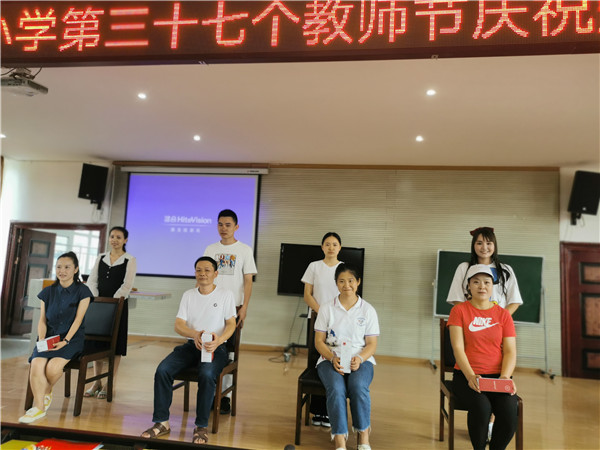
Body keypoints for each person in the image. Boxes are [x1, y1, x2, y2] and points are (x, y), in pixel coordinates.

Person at [140, 256, 236, 445]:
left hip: (215, 347)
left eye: (207, 270)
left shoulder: (226, 295)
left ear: (216, 274)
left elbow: (231, 324)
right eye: (199, 270)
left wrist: (219, 340)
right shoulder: (188, 295)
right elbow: (178, 325)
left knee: (207, 374)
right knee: (163, 370)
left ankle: (201, 426)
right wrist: (195, 334)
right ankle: (161, 422)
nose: (202, 274)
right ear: (195, 273)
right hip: (192, 345)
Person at [448, 264, 518, 450]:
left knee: (509, 411)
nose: (482, 286)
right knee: (482, 407)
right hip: (466, 377)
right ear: (468, 286)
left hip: (498, 378)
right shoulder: (459, 311)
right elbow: (457, 348)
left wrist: (505, 377)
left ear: (492, 286)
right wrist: (471, 376)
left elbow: (510, 351)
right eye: (476, 282)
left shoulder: (503, 315)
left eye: (487, 282)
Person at [19, 251, 93, 424]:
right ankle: (39, 408)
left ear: (76, 269)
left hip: (71, 339)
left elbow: (78, 320)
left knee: (52, 369)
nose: (62, 271)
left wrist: (65, 341)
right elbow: (42, 320)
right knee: (36, 364)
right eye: (59, 267)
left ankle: (45, 392)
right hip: (49, 337)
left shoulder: (83, 291)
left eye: (67, 267)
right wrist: (42, 340)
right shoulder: (47, 292)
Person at [314, 264, 379, 450]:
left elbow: (372, 344)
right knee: (336, 388)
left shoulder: (368, 310)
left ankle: (363, 434)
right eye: (341, 281)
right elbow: (319, 341)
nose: (346, 285)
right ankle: (340, 438)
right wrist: (331, 357)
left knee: (358, 386)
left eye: (351, 281)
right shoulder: (327, 308)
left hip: (360, 359)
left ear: (358, 282)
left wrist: (360, 358)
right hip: (330, 359)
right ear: (336, 283)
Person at [203, 209, 257, 414]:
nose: (223, 228)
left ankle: (224, 397)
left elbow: (248, 281)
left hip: (233, 308)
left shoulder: (244, 250)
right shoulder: (210, 249)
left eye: (227, 225)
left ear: (236, 227)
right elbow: (203, 276)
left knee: (229, 353)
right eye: (220, 224)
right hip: (210, 305)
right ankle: (209, 394)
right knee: (209, 349)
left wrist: (244, 307)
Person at [85, 226, 136, 399]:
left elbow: (127, 285)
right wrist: (97, 299)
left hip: (118, 306)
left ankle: (109, 383)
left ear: (125, 240)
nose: (114, 240)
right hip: (98, 305)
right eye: (112, 236)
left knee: (116, 345)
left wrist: (113, 302)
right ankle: (96, 382)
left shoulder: (130, 260)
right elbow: (92, 280)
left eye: (119, 237)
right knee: (96, 344)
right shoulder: (101, 257)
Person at [301, 231, 343, 428]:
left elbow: (348, 294)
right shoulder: (314, 266)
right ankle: (316, 410)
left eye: (334, 244)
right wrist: (322, 313)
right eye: (327, 244)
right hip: (317, 320)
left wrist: (333, 316)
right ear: (322, 247)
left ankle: (329, 411)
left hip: (339, 322)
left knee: (334, 360)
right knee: (315, 361)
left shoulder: (344, 268)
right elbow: (307, 295)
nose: (331, 247)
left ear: (340, 248)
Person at [446, 227, 522, 315]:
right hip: (471, 321)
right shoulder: (464, 268)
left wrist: (500, 319)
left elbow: (514, 301)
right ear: (473, 245)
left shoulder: (505, 270)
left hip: (497, 321)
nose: (484, 247)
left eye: (489, 243)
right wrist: (470, 317)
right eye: (479, 243)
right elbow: (457, 298)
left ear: (494, 245)